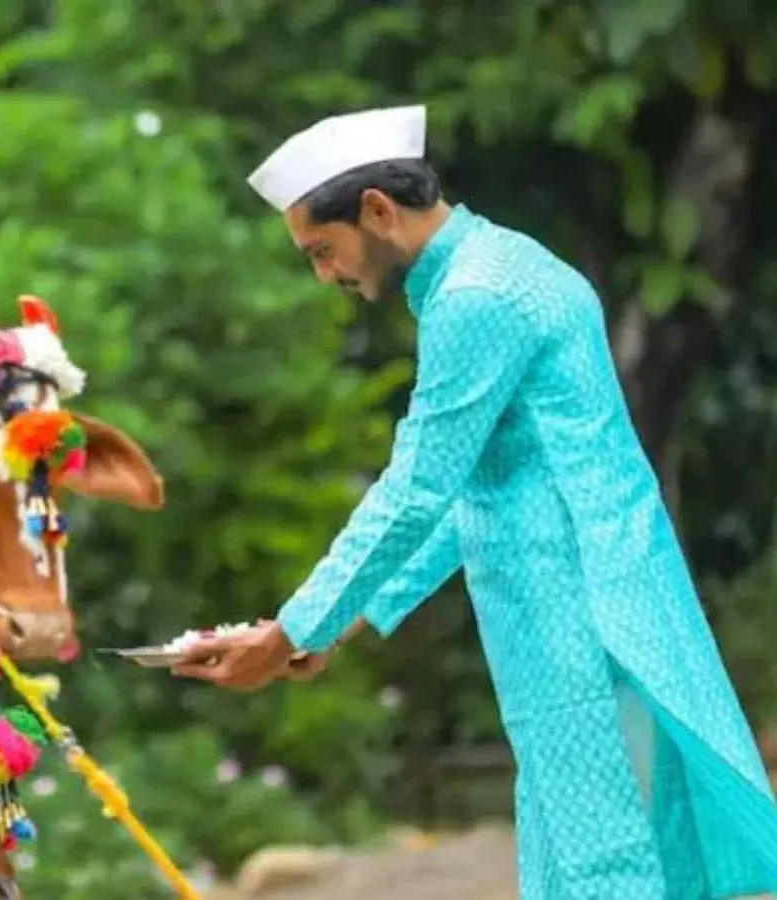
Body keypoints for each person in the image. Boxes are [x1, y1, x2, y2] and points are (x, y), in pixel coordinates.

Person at [172, 104, 777, 897]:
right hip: (586, 617)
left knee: (605, 868)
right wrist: (330, 625)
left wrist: (290, 627)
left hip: (576, 623)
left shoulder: (476, 298)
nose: (326, 275)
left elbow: (417, 489)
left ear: (379, 212)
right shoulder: (507, 264)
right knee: (575, 865)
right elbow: (475, 492)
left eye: (324, 251)